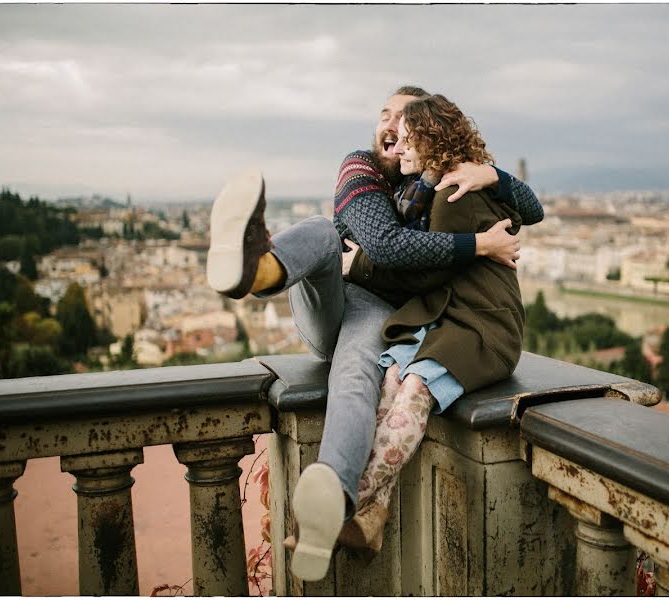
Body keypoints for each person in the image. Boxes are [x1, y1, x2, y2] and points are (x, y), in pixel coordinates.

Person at [206, 85, 543, 581]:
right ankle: (257, 272)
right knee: (322, 231)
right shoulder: (360, 168)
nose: (394, 129)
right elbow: (387, 247)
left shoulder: (431, 188)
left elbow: (523, 210)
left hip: (380, 315)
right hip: (333, 301)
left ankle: (336, 498)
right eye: (386, 117)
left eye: (406, 121)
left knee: (357, 380)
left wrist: (491, 174)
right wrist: (475, 245)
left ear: (426, 134)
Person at [335, 93, 527, 558]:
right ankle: (372, 515)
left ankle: (346, 508)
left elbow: (425, 269)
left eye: (404, 140)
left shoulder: (450, 193)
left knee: (414, 388)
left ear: (426, 139)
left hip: (484, 326)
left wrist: (356, 265)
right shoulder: (428, 187)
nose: (396, 149)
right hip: (449, 315)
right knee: (391, 377)